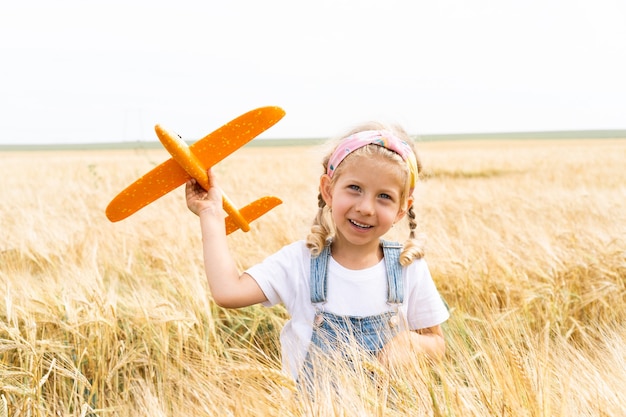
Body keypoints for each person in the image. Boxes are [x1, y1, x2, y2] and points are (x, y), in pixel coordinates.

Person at [185, 122, 450, 387]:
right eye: (355, 188)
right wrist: (211, 215)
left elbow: (437, 344)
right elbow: (227, 291)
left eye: (384, 196)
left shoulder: (407, 266)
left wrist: (410, 345)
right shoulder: (299, 262)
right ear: (328, 190)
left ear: (402, 209)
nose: (366, 207)